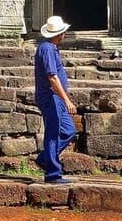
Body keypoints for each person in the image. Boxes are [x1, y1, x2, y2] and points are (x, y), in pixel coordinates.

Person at [34, 15, 77, 184]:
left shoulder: (52, 48)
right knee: (52, 133)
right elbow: (52, 78)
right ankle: (52, 174)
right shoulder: (46, 49)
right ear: (60, 33)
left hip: (56, 98)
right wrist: (67, 100)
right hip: (50, 97)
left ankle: (46, 158)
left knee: (68, 130)